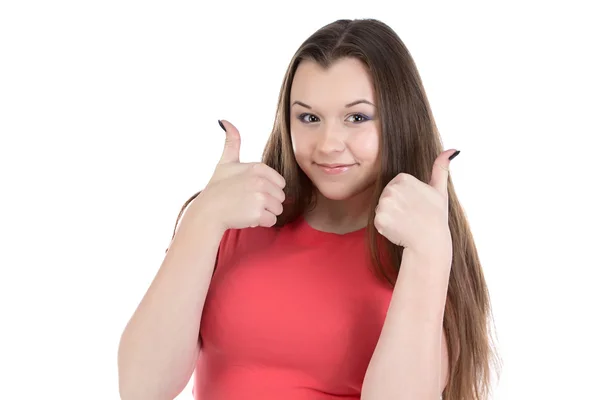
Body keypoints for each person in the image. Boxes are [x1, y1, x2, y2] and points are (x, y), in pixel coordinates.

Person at [117, 18, 501, 400]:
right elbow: (140, 390)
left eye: (357, 117)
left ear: (399, 119)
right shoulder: (230, 221)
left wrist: (430, 254)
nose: (328, 144)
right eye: (310, 118)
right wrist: (202, 219)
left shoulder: (422, 250)